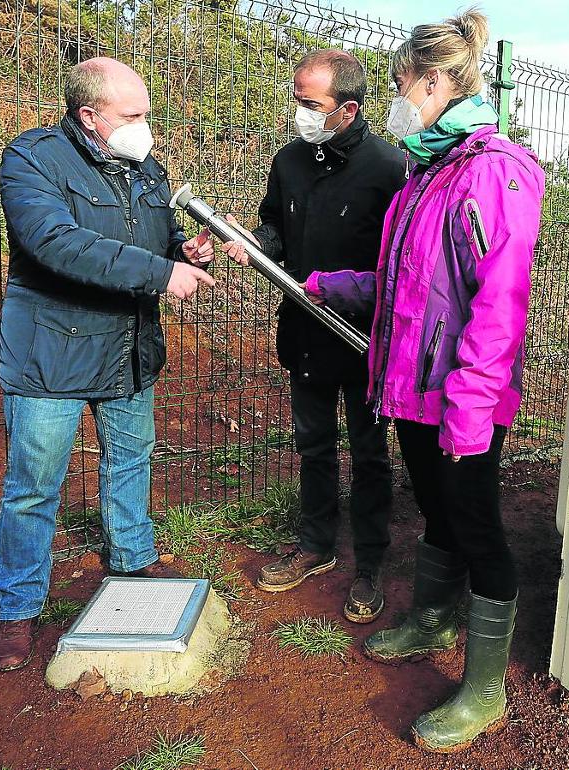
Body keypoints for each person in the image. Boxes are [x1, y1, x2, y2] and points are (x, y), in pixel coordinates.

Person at [300, 9, 545, 753]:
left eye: (402, 82)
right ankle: (435, 619)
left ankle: (486, 686)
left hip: (462, 397)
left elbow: (499, 306)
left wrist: (470, 408)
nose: (396, 99)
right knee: (438, 511)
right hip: (412, 386)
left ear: (434, 82)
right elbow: (408, 285)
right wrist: (334, 284)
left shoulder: (494, 172)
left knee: (478, 528)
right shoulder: (426, 173)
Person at [0, 57, 217, 672]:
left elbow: (157, 237)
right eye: (132, 115)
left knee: (130, 460)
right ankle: (17, 607)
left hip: (127, 347)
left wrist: (183, 250)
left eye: (147, 113)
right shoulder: (33, 159)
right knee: (34, 487)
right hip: (52, 354)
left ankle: (133, 560)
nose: (147, 127)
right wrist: (160, 273)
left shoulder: (144, 166)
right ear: (89, 116)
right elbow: (55, 242)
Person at [224, 50, 405, 623]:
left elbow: (400, 263)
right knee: (314, 444)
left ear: (347, 109)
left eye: (310, 103)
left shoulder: (391, 168)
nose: (299, 111)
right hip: (304, 329)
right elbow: (275, 225)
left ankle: (370, 564)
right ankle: (316, 545)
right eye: (297, 99)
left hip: (365, 337)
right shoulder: (290, 161)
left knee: (370, 452)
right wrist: (256, 244)